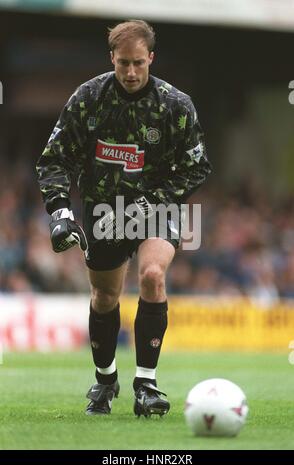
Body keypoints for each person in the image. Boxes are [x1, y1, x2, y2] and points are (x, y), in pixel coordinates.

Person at [36, 19, 212, 418]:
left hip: (158, 207)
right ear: (111, 59)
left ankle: (146, 385)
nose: (131, 72)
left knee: (152, 275)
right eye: (122, 64)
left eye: (138, 63)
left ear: (151, 58)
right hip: (103, 210)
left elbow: (197, 167)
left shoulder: (175, 105)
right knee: (104, 297)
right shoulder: (88, 98)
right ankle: (105, 380)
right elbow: (55, 159)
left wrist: (151, 203)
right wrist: (60, 210)